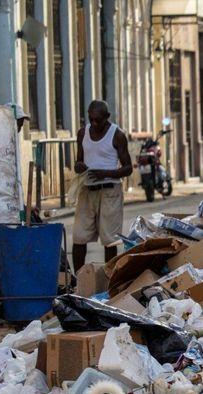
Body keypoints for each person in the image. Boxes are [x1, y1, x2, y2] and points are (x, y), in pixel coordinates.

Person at [72, 100, 132, 271]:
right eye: (91, 119)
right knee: (79, 236)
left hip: (110, 191)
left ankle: (109, 279)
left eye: (98, 120)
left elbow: (128, 168)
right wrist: (79, 167)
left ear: (107, 117)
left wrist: (105, 174)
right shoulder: (82, 133)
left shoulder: (117, 135)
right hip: (87, 189)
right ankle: (79, 279)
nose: (94, 123)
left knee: (109, 240)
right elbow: (79, 161)